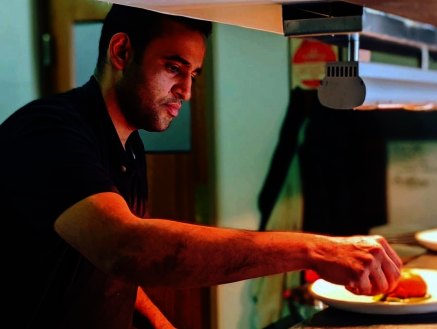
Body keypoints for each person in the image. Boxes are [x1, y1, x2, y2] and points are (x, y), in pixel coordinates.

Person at [0, 4, 402, 329]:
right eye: (174, 68)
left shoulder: (129, 145)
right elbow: (124, 250)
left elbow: (107, 276)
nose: (187, 91)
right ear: (122, 52)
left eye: (193, 74)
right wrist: (313, 248)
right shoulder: (49, 130)